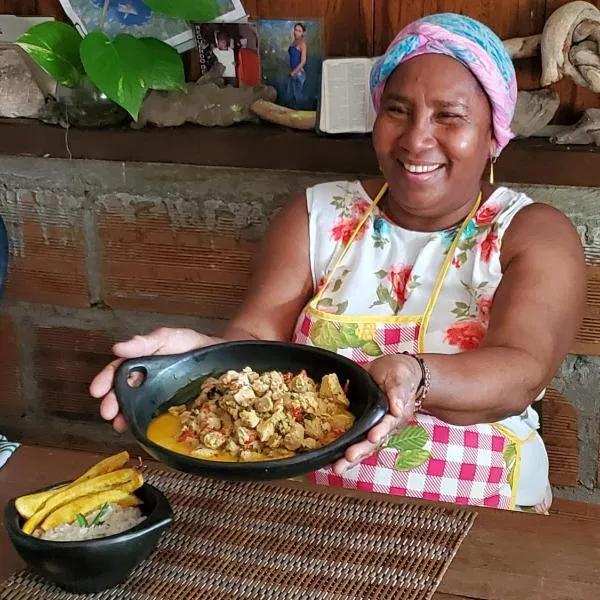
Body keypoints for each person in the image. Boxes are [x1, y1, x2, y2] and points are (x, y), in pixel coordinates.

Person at [91, 13, 586, 512]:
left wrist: (416, 377)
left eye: (449, 116)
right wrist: (194, 358)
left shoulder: (531, 232)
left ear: (493, 134)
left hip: (479, 511)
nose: (416, 139)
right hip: (316, 510)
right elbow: (258, 347)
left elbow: (521, 372)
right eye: (398, 110)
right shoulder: (317, 216)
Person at [287, 22, 308, 108]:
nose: (296, 32)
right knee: (292, 96)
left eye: (299, 31)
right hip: (293, 72)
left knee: (298, 97)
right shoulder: (294, 42)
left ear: (302, 33)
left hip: (299, 73)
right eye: (296, 30)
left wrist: (294, 72)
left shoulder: (302, 44)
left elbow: (303, 61)